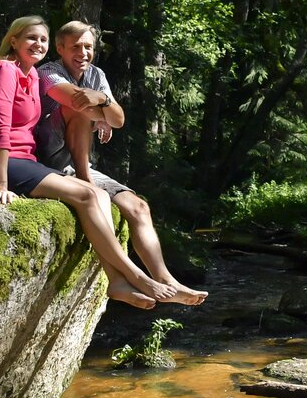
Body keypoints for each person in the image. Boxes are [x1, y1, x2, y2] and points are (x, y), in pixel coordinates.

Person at [0, 16, 178, 310]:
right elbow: (1, 128)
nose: (37, 44)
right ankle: (135, 274)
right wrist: (0, 184)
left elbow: (116, 119)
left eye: (42, 40)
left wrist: (100, 108)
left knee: (99, 194)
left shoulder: (32, 75)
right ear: (14, 41)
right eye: (30, 38)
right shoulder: (4, 70)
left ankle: (116, 281)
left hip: (25, 159)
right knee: (87, 194)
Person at [35, 20, 207, 306]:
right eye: (76, 47)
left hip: (77, 163)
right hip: (48, 160)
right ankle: (123, 278)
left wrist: (102, 100)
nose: (83, 52)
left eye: (88, 46)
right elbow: (76, 103)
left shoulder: (96, 75)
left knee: (138, 207)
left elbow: (119, 119)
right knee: (77, 112)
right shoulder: (49, 72)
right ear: (60, 48)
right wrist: (100, 112)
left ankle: (166, 281)